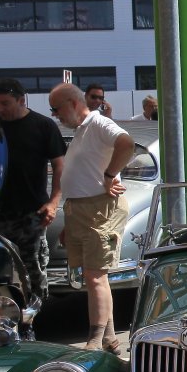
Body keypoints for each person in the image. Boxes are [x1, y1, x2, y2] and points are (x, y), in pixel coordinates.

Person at [48, 82, 133, 357]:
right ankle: (108, 338)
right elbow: (82, 175)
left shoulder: (98, 124)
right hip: (82, 210)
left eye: (56, 109)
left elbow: (126, 144)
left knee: (96, 276)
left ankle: (96, 339)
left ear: (73, 104)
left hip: (99, 209)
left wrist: (109, 175)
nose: (55, 115)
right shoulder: (83, 130)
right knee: (93, 277)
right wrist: (70, 222)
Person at [0, 77, 66, 335]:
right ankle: (2, 326)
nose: (0, 108)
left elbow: (60, 166)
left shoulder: (42, 126)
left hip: (32, 212)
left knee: (33, 272)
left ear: (21, 100)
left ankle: (31, 324)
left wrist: (54, 202)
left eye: (5, 103)